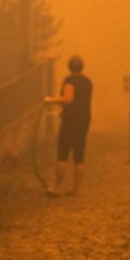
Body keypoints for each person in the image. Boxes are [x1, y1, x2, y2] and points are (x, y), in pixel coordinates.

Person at [44, 55, 93, 195]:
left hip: (71, 122)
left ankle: (57, 187)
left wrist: (50, 100)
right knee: (79, 155)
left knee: (62, 154)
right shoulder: (88, 82)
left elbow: (68, 99)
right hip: (84, 120)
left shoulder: (70, 80)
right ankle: (75, 189)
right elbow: (81, 102)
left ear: (69, 67)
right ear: (81, 66)